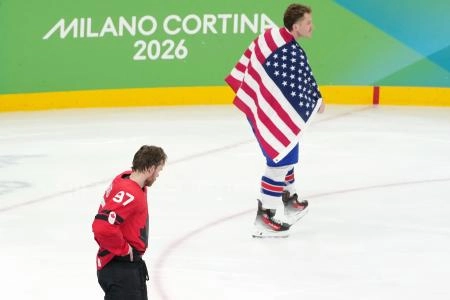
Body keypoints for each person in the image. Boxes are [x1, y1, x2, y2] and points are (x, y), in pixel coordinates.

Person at [225, 4, 325, 238]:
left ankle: (288, 199)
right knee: (280, 158)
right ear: (296, 25)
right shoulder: (289, 51)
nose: (312, 26)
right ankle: (265, 217)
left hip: (258, 106)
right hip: (268, 112)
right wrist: (317, 100)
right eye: (308, 22)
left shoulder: (269, 36)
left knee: (287, 147)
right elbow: (299, 85)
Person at [92, 145, 167, 300]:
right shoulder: (129, 192)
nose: (158, 174)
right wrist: (124, 249)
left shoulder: (126, 179)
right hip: (121, 269)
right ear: (150, 168)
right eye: (158, 170)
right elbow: (102, 227)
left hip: (122, 268)